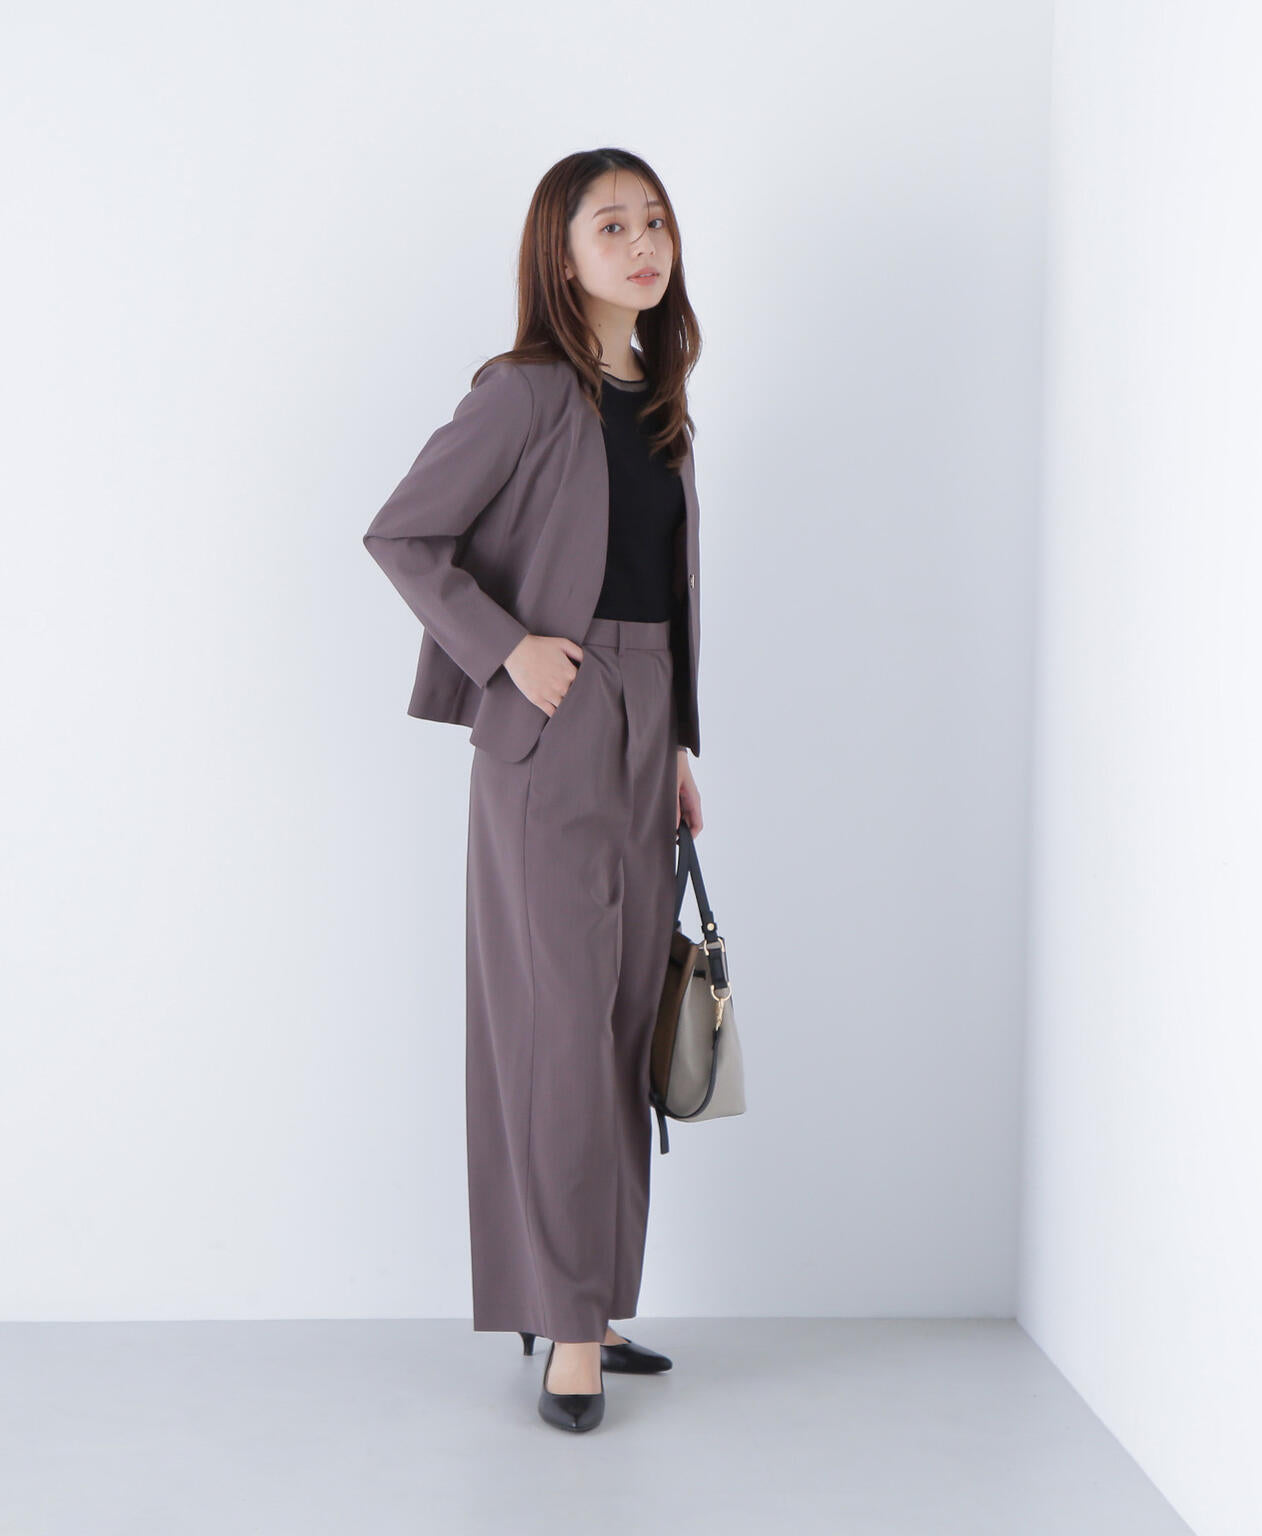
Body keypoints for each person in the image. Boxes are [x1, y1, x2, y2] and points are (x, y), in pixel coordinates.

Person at [363, 147, 707, 1433]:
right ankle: (562, 1321)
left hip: (646, 715)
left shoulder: (660, 404)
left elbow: (661, 589)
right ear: (559, 256)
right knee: (558, 1027)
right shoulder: (521, 392)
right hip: (553, 720)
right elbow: (402, 533)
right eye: (609, 225)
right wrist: (505, 648)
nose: (641, 243)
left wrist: (678, 745)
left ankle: (595, 1302)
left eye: (654, 220)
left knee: (620, 1024)